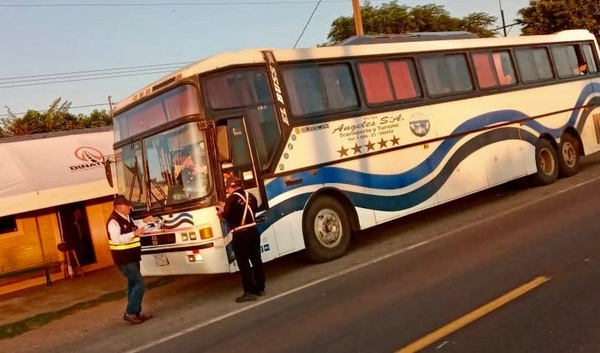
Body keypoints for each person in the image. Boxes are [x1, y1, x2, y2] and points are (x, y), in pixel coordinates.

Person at [106, 195, 155, 324]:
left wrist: (144, 222)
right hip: (124, 258)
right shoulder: (113, 222)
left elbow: (134, 227)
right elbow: (116, 239)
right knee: (139, 283)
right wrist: (134, 234)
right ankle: (130, 312)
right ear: (119, 207)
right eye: (127, 205)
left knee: (133, 285)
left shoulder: (127, 217)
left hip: (132, 256)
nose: (130, 207)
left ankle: (136, 313)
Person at [217, 176, 266, 303]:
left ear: (230, 187)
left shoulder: (231, 199)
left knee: (243, 263)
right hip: (254, 231)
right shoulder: (251, 196)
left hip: (240, 234)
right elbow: (255, 209)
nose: (227, 190)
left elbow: (226, 216)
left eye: (227, 188)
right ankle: (260, 288)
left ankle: (249, 292)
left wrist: (220, 211)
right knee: (256, 260)